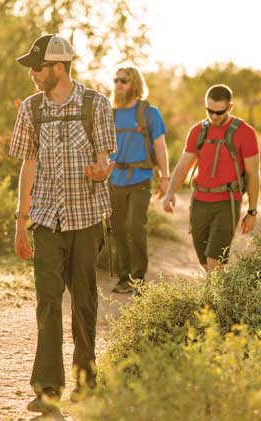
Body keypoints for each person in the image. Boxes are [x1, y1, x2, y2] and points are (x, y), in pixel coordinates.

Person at [9, 34, 116, 413]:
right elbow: (28, 164)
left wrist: (101, 172)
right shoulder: (31, 109)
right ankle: (48, 387)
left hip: (86, 219)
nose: (32, 75)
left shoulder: (96, 105)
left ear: (58, 67)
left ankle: (86, 381)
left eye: (37, 68)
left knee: (84, 301)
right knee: (48, 301)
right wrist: (21, 220)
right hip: (45, 220)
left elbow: (105, 160)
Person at [162, 84, 260, 272]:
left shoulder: (245, 133)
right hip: (199, 202)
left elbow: (253, 174)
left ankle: (213, 301)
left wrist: (252, 211)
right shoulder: (198, 131)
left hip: (227, 202)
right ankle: (220, 296)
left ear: (230, 107)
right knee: (206, 263)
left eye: (219, 112)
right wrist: (170, 192)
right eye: (210, 111)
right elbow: (184, 165)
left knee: (215, 261)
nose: (214, 116)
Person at [109, 65, 170, 294]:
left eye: (123, 80)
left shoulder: (148, 112)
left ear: (134, 83)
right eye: (115, 80)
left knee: (135, 226)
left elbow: (160, 146)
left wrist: (165, 177)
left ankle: (139, 279)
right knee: (118, 229)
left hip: (141, 178)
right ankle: (124, 278)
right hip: (114, 180)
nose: (118, 85)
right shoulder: (110, 113)